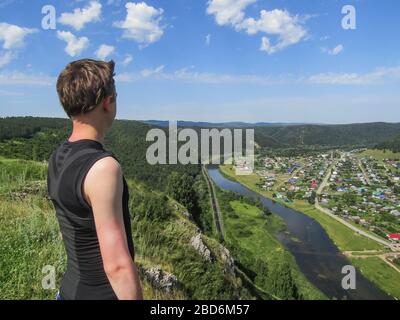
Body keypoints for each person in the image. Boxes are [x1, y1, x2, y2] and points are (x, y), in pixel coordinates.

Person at [47, 59, 143, 300]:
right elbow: (117, 266)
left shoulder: (57, 157)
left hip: (68, 292)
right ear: (108, 102)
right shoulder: (103, 168)